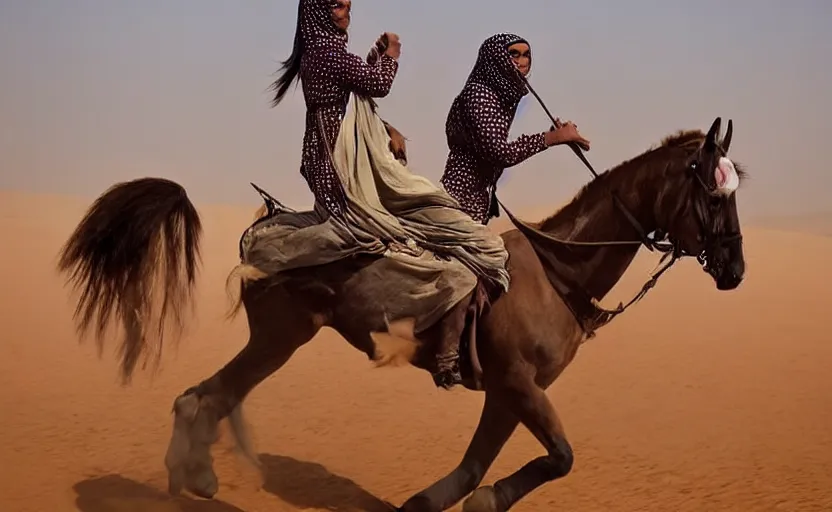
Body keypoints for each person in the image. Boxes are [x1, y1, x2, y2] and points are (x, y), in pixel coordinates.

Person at [269, 0, 404, 217]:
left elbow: (359, 81)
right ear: (320, 11)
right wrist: (390, 56)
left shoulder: (316, 54)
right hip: (333, 160)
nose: (347, 13)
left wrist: (377, 54)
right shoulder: (330, 57)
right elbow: (378, 84)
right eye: (337, 6)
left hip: (324, 156)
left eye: (348, 7)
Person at [440, 33, 591, 224]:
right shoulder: (479, 94)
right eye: (514, 54)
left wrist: (555, 135)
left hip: (475, 204)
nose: (522, 61)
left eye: (526, 55)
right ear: (497, 57)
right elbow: (499, 153)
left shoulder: (497, 96)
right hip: (459, 203)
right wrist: (551, 138)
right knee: (496, 254)